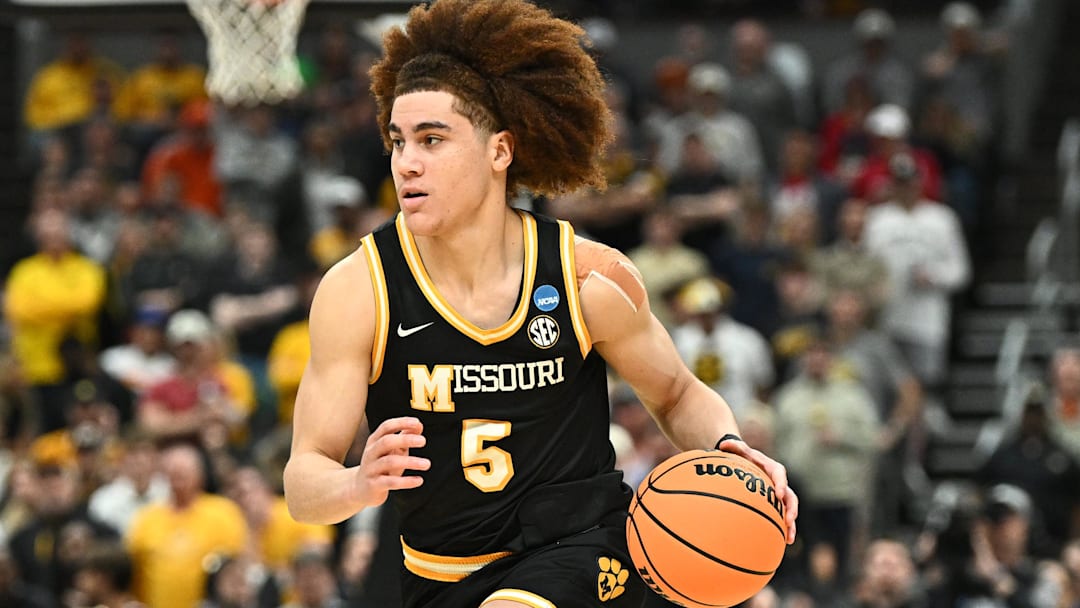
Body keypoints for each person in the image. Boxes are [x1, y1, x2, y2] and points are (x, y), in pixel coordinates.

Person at [282, 3, 799, 608]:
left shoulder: (586, 277)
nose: (407, 163)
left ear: (500, 151)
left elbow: (677, 394)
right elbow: (302, 482)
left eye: (432, 139)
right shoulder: (360, 289)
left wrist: (729, 449)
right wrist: (355, 484)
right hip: (439, 575)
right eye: (398, 142)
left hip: (584, 551)